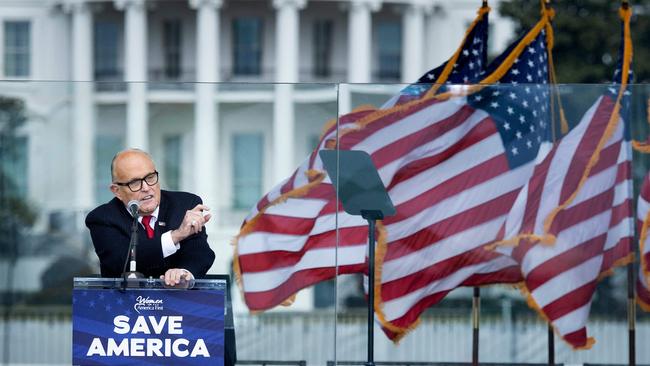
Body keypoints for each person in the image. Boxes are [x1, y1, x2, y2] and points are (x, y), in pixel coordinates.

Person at [86, 148, 215, 286]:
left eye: (150, 177)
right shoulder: (102, 218)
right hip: (124, 304)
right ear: (117, 191)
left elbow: (200, 252)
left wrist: (184, 272)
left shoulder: (186, 205)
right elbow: (121, 261)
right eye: (135, 183)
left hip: (180, 302)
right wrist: (176, 236)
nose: (146, 187)